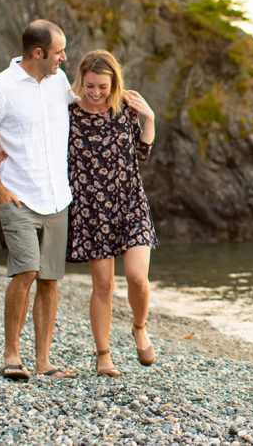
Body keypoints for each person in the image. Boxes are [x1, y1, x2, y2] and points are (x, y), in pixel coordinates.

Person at [0, 19, 76, 382]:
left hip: (58, 196)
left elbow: (89, 104)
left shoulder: (59, 82)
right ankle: (11, 355)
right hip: (17, 196)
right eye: (59, 52)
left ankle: (43, 361)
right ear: (38, 52)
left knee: (50, 278)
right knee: (26, 270)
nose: (64, 58)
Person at [66, 49, 158, 376]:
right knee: (103, 285)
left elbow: (142, 152)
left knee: (137, 278)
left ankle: (139, 327)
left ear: (113, 83)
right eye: (90, 85)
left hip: (130, 203)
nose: (95, 93)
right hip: (92, 209)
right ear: (81, 80)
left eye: (102, 87)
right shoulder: (68, 114)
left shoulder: (125, 109)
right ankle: (103, 355)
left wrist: (149, 119)